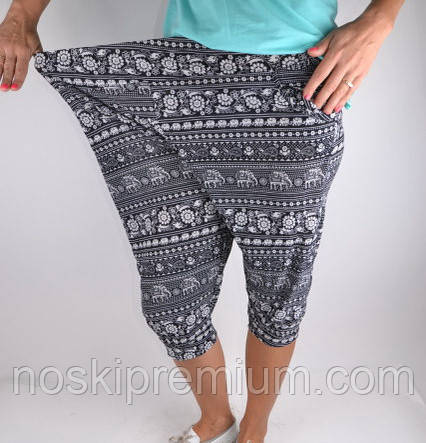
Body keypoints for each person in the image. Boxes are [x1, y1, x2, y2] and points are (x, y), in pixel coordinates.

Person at [0, 1, 405, 442]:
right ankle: (216, 418)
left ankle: (255, 427)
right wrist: (22, 16)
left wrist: (380, 18)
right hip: (173, 87)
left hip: (290, 92)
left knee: (277, 294)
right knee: (171, 303)